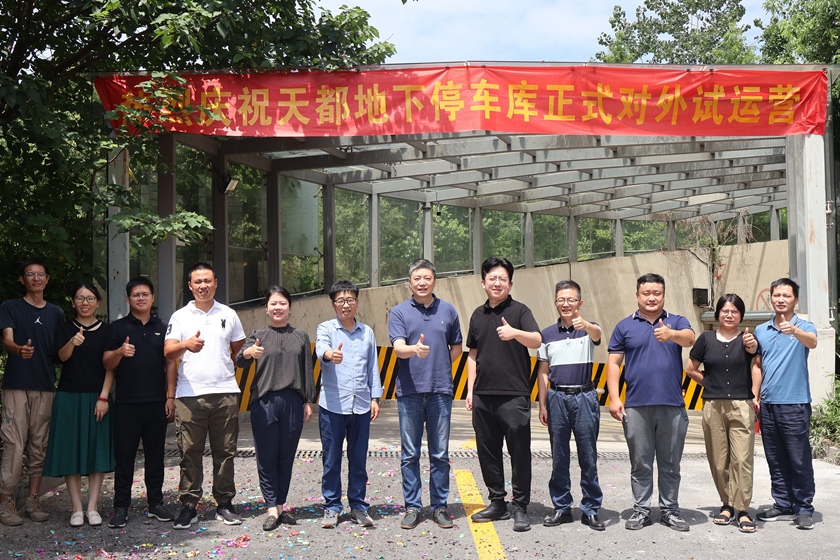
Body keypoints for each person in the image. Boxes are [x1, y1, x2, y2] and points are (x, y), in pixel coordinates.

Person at [606, 272, 695, 532]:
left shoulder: (676, 321)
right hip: (636, 406)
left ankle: (670, 510)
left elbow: (690, 338)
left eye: (657, 293)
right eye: (646, 293)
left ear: (664, 295)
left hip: (672, 405)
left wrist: (671, 334)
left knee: (670, 463)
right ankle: (641, 510)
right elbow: (614, 363)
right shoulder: (624, 326)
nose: (652, 297)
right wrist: (614, 398)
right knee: (641, 462)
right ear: (637, 295)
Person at [165, 262, 246, 530]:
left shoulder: (229, 314)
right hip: (189, 396)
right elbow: (168, 352)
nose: (203, 286)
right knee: (190, 452)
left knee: (226, 452)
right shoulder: (180, 317)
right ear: (190, 286)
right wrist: (186, 344)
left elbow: (238, 348)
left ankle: (224, 503)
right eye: (198, 282)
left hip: (225, 393)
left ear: (215, 283)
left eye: (207, 281)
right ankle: (189, 505)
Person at [465, 256, 541, 532]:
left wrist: (514, 332)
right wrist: (471, 390)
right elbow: (472, 355)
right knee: (488, 452)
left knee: (519, 452)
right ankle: (497, 502)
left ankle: (520, 506)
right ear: (483, 282)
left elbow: (537, 340)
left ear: (510, 284)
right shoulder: (477, 315)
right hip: (483, 395)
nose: (497, 283)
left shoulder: (520, 310)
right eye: (492, 278)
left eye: (503, 279)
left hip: (513, 395)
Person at [388, 259, 462, 530]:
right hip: (410, 391)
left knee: (440, 453)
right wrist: (414, 350)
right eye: (417, 278)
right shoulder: (399, 312)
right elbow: (398, 348)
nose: (422, 283)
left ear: (434, 281)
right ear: (409, 282)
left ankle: (439, 506)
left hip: (441, 390)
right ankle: (412, 506)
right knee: (410, 453)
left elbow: (456, 347)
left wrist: (438, 364)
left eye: (427, 278)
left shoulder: (448, 310)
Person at [235, 286, 315, 531]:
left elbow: (307, 369)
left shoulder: (300, 336)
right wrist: (249, 352)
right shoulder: (258, 335)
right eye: (273, 304)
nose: (278, 307)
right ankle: (271, 507)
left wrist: (308, 400)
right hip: (264, 401)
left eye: (282, 303)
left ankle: (280, 506)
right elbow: (240, 360)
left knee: (286, 456)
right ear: (266, 308)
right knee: (267, 456)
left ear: (289, 308)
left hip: (293, 401)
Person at [103, 277, 175, 529]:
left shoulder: (163, 327)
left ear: (152, 297)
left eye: (145, 294)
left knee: (156, 456)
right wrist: (119, 353)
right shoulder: (117, 328)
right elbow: (107, 363)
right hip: (127, 403)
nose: (141, 298)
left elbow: (170, 363)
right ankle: (121, 506)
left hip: (156, 402)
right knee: (124, 457)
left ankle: (155, 503)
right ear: (128, 299)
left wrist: (170, 396)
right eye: (136, 294)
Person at [686, 294, 760, 533]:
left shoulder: (748, 339)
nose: (729, 315)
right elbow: (691, 369)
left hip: (741, 405)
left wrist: (755, 395)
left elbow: (757, 365)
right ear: (718, 314)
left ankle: (743, 510)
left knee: (742, 459)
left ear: (741, 315)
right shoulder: (705, 339)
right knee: (719, 461)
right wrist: (709, 383)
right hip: (713, 406)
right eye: (725, 311)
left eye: (734, 311)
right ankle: (727, 505)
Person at [43, 284, 115, 527]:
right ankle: (76, 508)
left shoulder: (108, 330)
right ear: (73, 302)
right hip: (68, 397)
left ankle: (93, 507)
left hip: (97, 396)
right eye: (80, 298)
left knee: (97, 451)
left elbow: (110, 366)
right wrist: (72, 342)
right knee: (70, 451)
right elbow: (62, 357)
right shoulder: (64, 328)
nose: (85, 302)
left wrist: (104, 397)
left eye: (90, 298)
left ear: (97, 302)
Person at [0, 258, 64, 526]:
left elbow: (62, 351)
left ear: (47, 279)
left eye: (40, 274)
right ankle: (6, 501)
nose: (36, 278)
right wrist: (18, 350)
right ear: (22, 279)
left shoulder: (56, 313)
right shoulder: (10, 307)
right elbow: (7, 339)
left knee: (39, 444)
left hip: (45, 386)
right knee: (14, 443)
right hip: (16, 385)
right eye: (30, 274)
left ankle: (33, 499)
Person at [536, 280, 604, 531]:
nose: (566, 304)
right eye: (561, 300)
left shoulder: (588, 329)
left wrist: (585, 324)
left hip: (584, 397)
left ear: (580, 303)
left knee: (588, 455)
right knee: (559, 455)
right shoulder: (546, 335)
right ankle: (562, 507)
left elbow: (597, 335)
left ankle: (591, 509)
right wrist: (542, 404)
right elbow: (543, 372)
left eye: (571, 299)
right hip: (557, 397)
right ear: (555, 303)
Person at [316, 280, 382, 529]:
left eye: (350, 300)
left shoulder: (367, 332)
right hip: (332, 405)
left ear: (357, 302)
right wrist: (330, 355)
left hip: (361, 405)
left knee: (358, 459)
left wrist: (375, 398)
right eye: (341, 300)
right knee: (331, 459)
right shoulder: (326, 328)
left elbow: (372, 366)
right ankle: (332, 507)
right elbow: (321, 349)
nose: (346, 305)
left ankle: (358, 506)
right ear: (333, 304)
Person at [752, 278, 818, 530]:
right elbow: (758, 364)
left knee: (799, 458)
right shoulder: (761, 330)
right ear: (771, 298)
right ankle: (782, 503)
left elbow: (812, 342)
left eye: (786, 295)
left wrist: (795, 331)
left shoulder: (805, 326)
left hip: (795, 403)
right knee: (775, 458)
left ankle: (803, 508)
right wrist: (755, 394)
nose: (781, 299)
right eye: (777, 295)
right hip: (768, 404)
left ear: (795, 300)